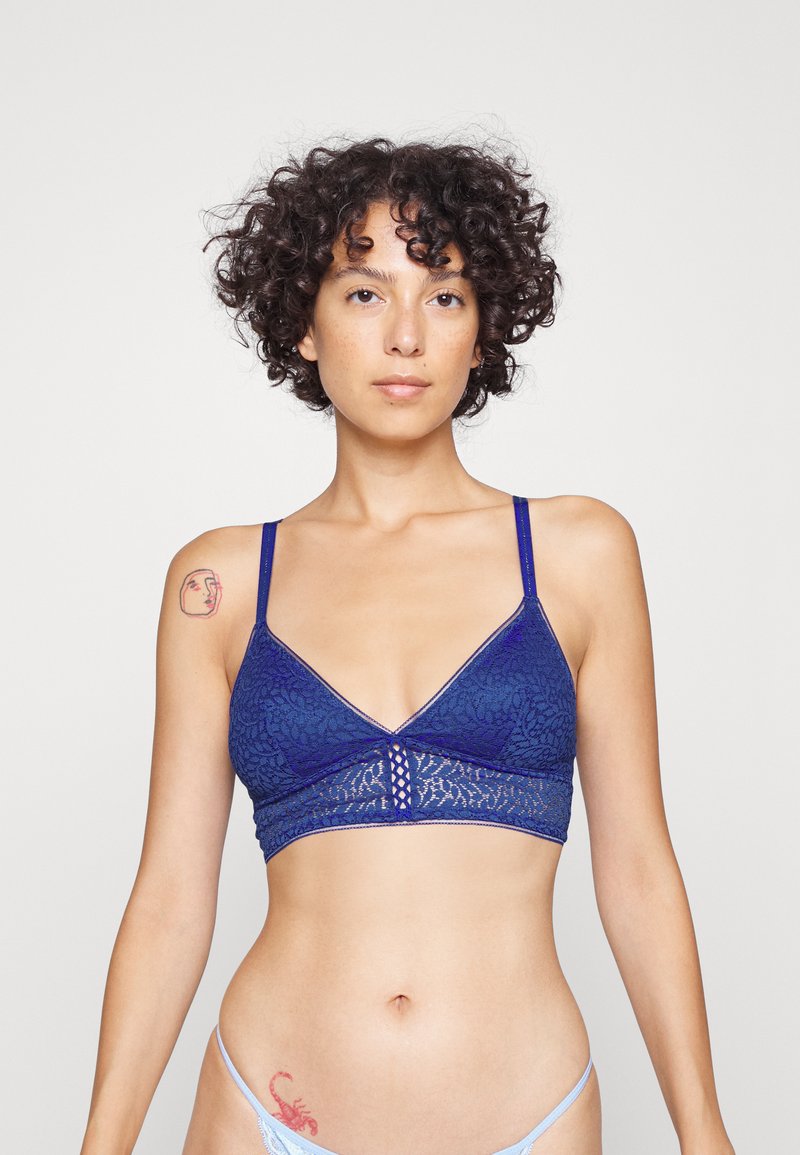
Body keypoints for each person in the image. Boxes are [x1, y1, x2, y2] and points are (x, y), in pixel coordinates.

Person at [80, 135, 735, 1155]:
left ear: (481, 332)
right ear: (304, 325)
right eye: (363, 294)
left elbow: (640, 869)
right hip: (264, 1112)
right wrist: (99, 1145)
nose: (404, 336)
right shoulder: (220, 584)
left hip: (528, 1117)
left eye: (443, 296)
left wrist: (705, 1134)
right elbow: (169, 898)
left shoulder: (577, 553)